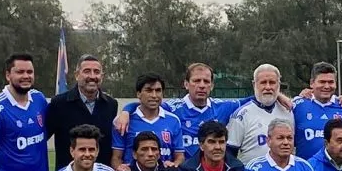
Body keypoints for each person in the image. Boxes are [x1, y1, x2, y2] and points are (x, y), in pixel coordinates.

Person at [114, 62, 289, 159]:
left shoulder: (223, 107)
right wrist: (125, 111)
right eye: (196, 81)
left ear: (212, 85)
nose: (201, 86)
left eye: (206, 82)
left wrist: (279, 95)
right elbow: (146, 105)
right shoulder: (173, 108)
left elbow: (258, 98)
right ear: (186, 84)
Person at [110, 73, 184, 170]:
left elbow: (180, 156)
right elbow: (116, 158)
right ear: (138, 94)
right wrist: (120, 169)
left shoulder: (173, 120)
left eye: (158, 91)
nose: (154, 95)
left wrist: (174, 165)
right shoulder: (123, 121)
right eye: (149, 90)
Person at [292, 62, 342, 160]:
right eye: (322, 82)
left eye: (331, 82)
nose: (327, 86)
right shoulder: (297, 105)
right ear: (312, 83)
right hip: (306, 169)